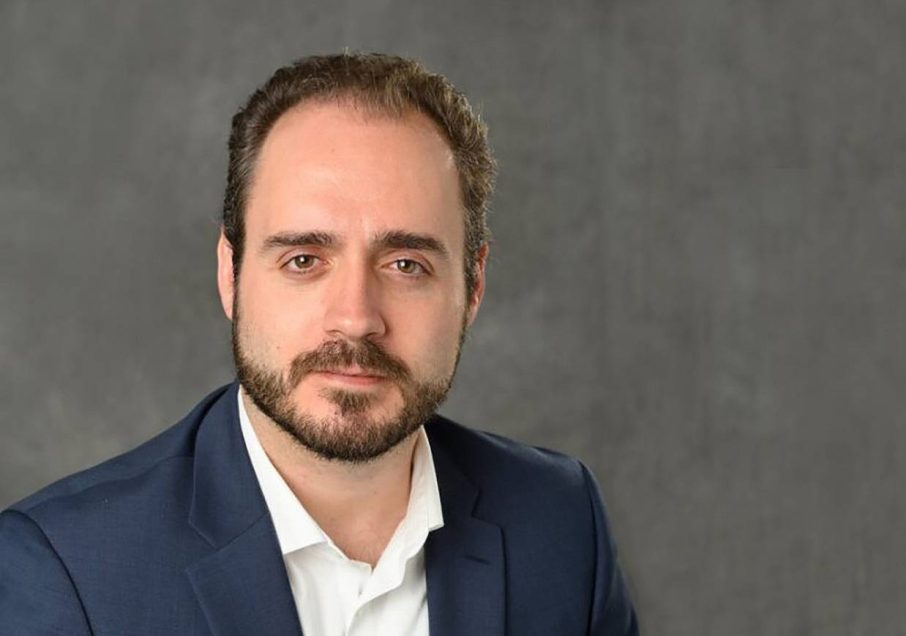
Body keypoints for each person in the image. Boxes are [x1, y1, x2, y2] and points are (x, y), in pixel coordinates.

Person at [0, 53, 637, 635]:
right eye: (304, 259)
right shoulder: (63, 571)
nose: (355, 320)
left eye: (406, 265)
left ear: (472, 287)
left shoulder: (560, 522)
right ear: (230, 275)